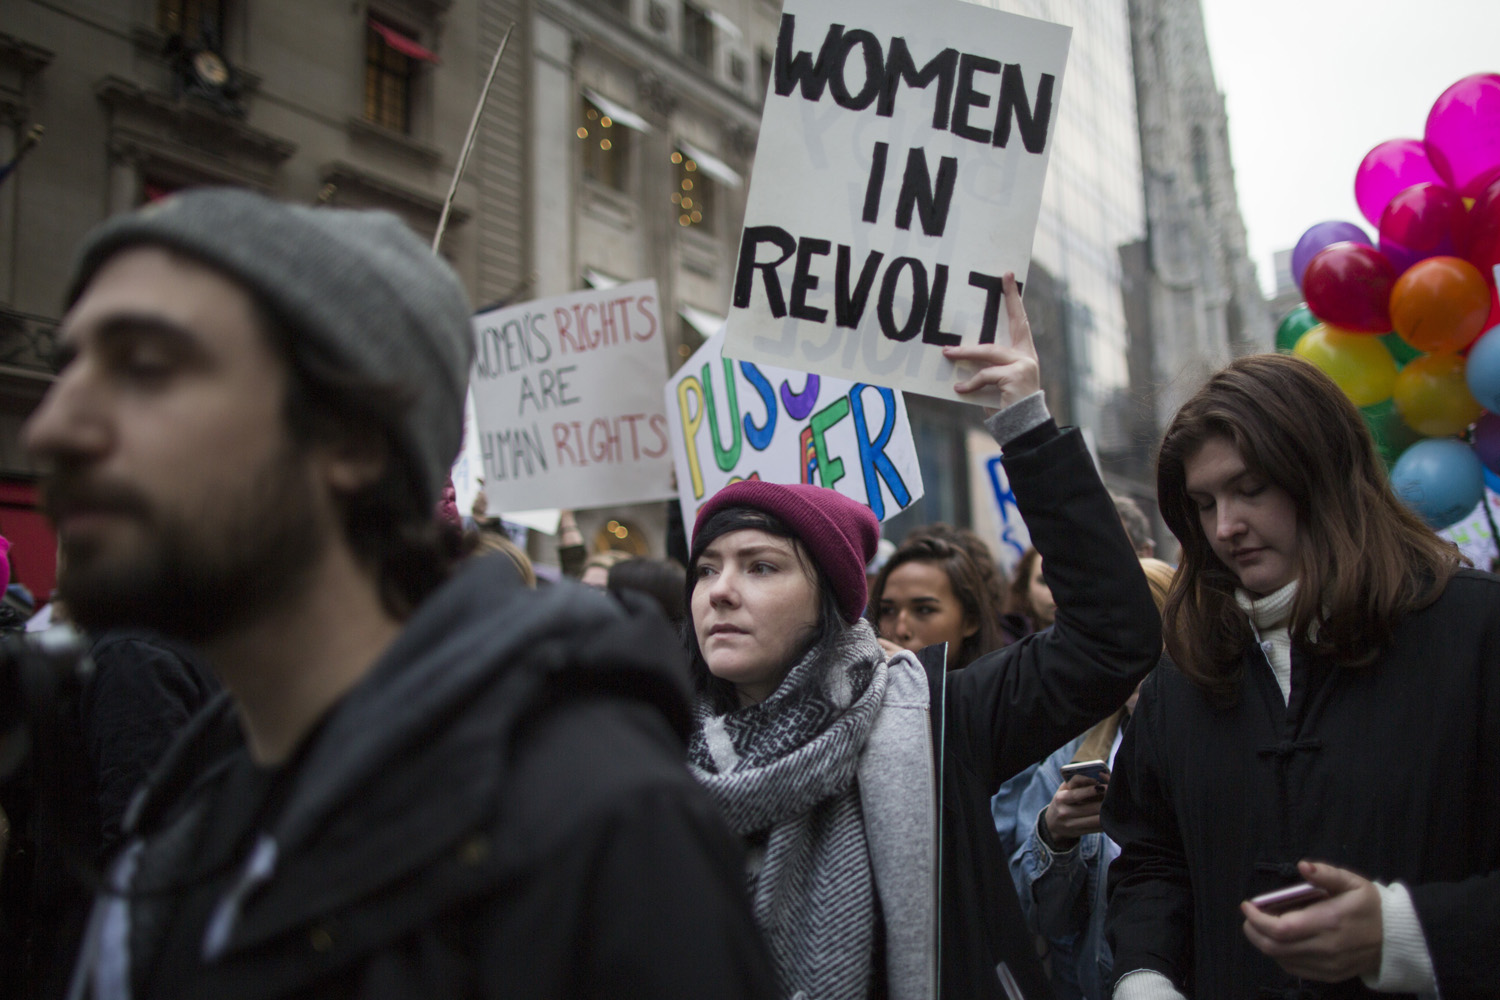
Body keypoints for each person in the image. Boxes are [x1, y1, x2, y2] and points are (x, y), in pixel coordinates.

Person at [21, 188, 774, 999]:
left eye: (146, 369)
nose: (51, 428)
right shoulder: (174, 833)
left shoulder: (604, 836)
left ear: (349, 437)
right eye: (71, 368)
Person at [683, 273, 1161, 1000]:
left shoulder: (938, 718)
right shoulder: (654, 748)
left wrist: (1025, 423)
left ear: (830, 601)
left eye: (761, 566)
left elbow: (1112, 639)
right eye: (708, 567)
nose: (721, 589)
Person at [1104, 353, 1500, 1000]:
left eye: (1251, 489)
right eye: (1204, 504)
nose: (1225, 527)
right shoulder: (1188, 672)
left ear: (1322, 474)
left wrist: (1404, 933)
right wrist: (1145, 976)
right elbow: (1150, 858)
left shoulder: (1477, 631)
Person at [870, 526, 1057, 994]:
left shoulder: (999, 714)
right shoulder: (860, 716)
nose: (900, 628)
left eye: (925, 609)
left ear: (970, 619)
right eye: (887, 611)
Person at [1007, 558, 1175, 1000]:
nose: (1131, 657)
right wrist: (1054, 838)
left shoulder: (1223, 743)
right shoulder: (1073, 751)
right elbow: (1044, 922)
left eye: (1148, 636)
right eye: (1111, 639)